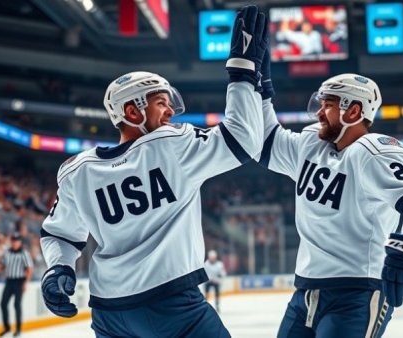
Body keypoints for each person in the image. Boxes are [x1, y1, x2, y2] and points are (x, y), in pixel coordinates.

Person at [39, 5, 269, 338]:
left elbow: (60, 234)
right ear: (132, 111)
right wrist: (242, 73)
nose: (171, 112)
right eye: (162, 102)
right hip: (172, 305)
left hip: (109, 314)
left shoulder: (77, 171)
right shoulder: (171, 144)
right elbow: (244, 138)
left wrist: (57, 268)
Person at [256, 49, 403, 337]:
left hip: (357, 293)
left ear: (354, 110)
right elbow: (263, 140)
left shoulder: (374, 151)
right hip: (305, 292)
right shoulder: (312, 143)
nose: (319, 112)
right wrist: (257, 90)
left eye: (328, 105)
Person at [0, 233, 33, 338]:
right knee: (3, 303)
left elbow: (29, 268)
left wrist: (26, 282)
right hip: (9, 281)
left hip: (19, 281)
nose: (14, 242)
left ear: (20, 242)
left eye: (16, 241)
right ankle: (7, 327)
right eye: (13, 240)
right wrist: (0, 269)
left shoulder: (24, 253)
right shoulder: (7, 252)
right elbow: (3, 264)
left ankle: (18, 329)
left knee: (16, 305)